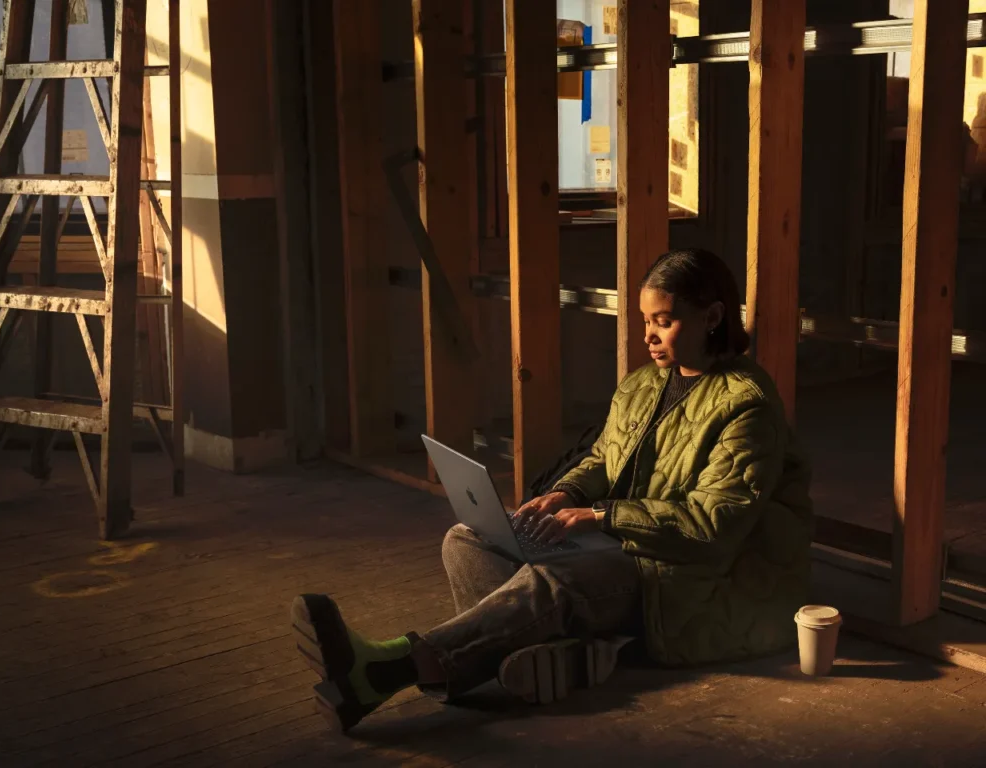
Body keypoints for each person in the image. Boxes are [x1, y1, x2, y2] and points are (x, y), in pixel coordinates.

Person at [293, 248, 813, 733]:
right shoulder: (642, 384)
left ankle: (385, 670)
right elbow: (601, 459)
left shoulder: (746, 405)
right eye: (645, 322)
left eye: (664, 321)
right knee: (466, 538)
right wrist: (565, 496)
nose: (649, 337)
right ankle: (559, 654)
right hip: (622, 544)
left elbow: (713, 526)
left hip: (683, 575)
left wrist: (602, 517)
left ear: (713, 318)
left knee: (553, 580)